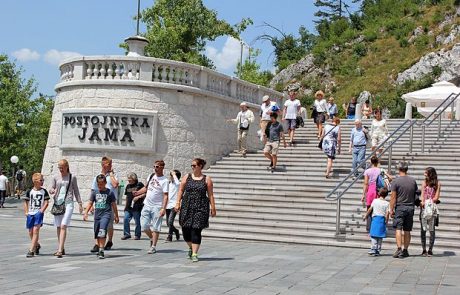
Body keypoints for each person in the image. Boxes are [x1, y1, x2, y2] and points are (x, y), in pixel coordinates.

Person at [175, 158, 216, 262]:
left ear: (200, 166)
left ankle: (194, 253)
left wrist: (213, 207)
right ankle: (190, 247)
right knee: (185, 230)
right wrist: (177, 203)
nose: (192, 167)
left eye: (194, 165)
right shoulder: (186, 177)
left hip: (201, 207)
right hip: (186, 206)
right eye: (191, 165)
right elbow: (181, 190)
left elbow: (210, 194)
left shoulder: (207, 179)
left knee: (196, 230)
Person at [133, 160, 169, 254]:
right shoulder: (151, 176)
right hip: (147, 204)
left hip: (157, 206)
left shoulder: (165, 180)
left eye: (157, 167)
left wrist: (163, 208)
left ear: (162, 167)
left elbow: (165, 195)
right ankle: (151, 238)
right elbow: (146, 187)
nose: (155, 168)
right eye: (154, 166)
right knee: (144, 226)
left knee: (156, 227)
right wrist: (138, 192)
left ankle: (153, 246)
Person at [49, 159, 83, 258]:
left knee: (63, 225)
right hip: (58, 203)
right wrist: (52, 191)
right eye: (59, 167)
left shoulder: (72, 177)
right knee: (59, 226)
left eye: (62, 167)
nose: (61, 169)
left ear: (67, 166)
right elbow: (52, 188)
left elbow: (76, 191)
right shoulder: (55, 177)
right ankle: (61, 247)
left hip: (68, 203)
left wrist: (80, 203)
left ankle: (59, 250)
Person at [83, 174, 119, 259]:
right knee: (97, 233)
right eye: (98, 184)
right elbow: (90, 203)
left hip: (106, 214)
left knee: (102, 231)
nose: (100, 186)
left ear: (105, 183)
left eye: (101, 184)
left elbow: (114, 205)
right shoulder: (94, 192)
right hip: (97, 216)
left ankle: (101, 250)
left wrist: (116, 216)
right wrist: (86, 213)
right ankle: (99, 247)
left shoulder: (109, 192)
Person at [90, 156, 119, 253]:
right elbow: (93, 190)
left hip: (110, 202)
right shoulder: (98, 177)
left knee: (109, 224)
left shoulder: (113, 175)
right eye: (109, 164)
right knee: (99, 225)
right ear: (103, 165)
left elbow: (115, 185)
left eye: (111, 164)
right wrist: (91, 205)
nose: (111, 165)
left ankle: (109, 241)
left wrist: (111, 175)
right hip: (100, 203)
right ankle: (97, 244)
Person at [390, 161, 418, 258]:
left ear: (399, 169)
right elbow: (416, 194)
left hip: (400, 207)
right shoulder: (413, 181)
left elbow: (393, 197)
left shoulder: (396, 181)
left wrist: (391, 209)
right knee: (407, 230)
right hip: (410, 208)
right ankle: (405, 250)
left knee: (398, 228)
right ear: (407, 169)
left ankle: (399, 249)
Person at [24, 173, 50, 258]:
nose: (42, 182)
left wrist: (42, 210)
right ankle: (37, 244)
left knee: (36, 230)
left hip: (38, 213)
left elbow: (46, 202)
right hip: (30, 213)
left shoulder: (44, 191)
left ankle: (31, 250)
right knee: (30, 232)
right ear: (35, 181)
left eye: (43, 180)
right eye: (41, 180)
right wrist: (26, 212)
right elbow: (26, 202)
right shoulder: (29, 191)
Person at [419, 167, 441, 257]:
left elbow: (437, 197)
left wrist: (429, 202)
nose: (424, 174)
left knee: (432, 230)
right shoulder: (424, 182)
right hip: (424, 208)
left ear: (430, 174)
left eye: (426, 172)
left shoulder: (437, 184)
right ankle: (424, 249)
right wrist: (423, 202)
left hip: (432, 208)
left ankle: (430, 250)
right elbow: (422, 195)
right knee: (423, 229)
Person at [363, 187, 390, 256]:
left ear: (378, 193)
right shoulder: (387, 203)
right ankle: (378, 249)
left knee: (374, 235)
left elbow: (370, 209)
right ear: (386, 195)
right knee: (380, 236)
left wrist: (366, 216)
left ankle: (373, 248)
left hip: (375, 219)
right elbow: (387, 213)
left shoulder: (375, 201)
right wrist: (386, 221)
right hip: (382, 220)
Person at [121, 173, 145, 240]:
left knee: (137, 221)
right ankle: (126, 234)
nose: (128, 180)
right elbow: (127, 197)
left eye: (130, 179)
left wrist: (138, 197)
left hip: (137, 207)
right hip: (128, 207)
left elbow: (145, 193)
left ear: (134, 179)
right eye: (128, 179)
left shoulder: (139, 184)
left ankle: (137, 235)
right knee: (126, 219)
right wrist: (125, 206)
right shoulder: (128, 186)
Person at [362, 156, 382, 232]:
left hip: (370, 190)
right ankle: (376, 228)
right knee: (377, 209)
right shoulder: (380, 170)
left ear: (371, 162)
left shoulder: (367, 171)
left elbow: (365, 183)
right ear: (378, 162)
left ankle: (369, 228)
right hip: (378, 190)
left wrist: (363, 194)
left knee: (369, 209)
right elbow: (388, 179)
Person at [166, 170, 181, 242]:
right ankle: (176, 231)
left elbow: (177, 183)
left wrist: (174, 174)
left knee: (170, 221)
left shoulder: (178, 184)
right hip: (167, 205)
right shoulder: (169, 184)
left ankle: (169, 236)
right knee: (168, 223)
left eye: (172, 176)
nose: (171, 177)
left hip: (174, 205)